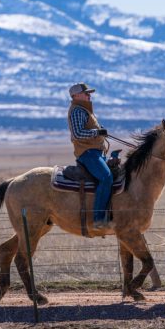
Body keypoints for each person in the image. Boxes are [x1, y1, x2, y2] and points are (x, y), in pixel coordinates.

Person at [67, 83, 113, 229]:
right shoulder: (77, 111)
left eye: (89, 93)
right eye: (86, 93)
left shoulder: (85, 110)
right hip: (88, 153)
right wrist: (97, 132)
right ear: (76, 96)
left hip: (95, 152)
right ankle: (98, 220)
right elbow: (77, 134)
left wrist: (100, 130)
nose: (89, 95)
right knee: (106, 178)